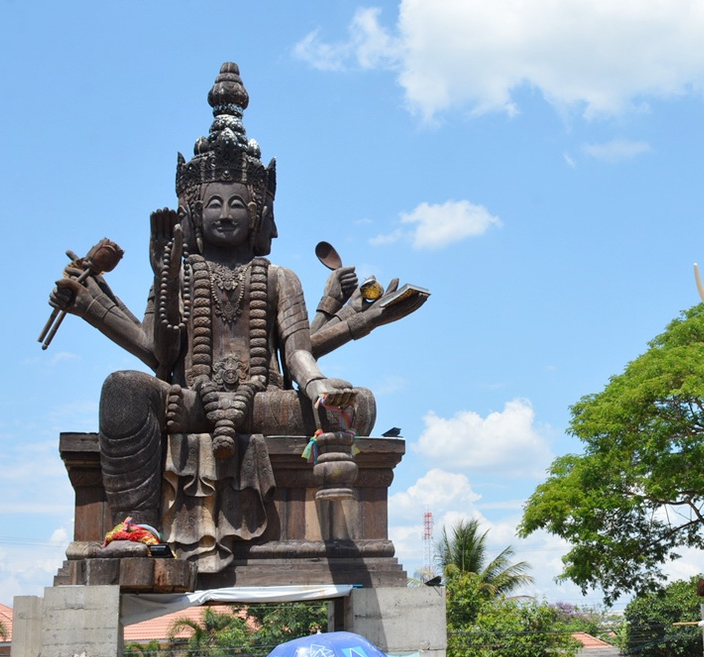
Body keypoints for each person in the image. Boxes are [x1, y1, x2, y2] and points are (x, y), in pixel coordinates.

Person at [50, 63, 425, 572]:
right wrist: (163, 271)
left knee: (357, 402)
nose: (225, 213)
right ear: (192, 213)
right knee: (122, 388)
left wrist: (317, 389)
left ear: (259, 214)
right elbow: (159, 353)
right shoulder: (180, 273)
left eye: (236, 204)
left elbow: (296, 352)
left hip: (261, 404)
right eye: (212, 204)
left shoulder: (279, 278)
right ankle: (137, 524)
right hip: (190, 402)